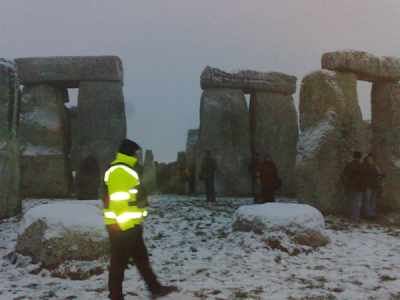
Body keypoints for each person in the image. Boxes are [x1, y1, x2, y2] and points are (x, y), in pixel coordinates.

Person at [103, 139, 177, 300]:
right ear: (130, 153)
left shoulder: (126, 169)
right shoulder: (119, 171)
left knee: (141, 259)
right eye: (136, 152)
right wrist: (127, 226)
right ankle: (115, 295)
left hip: (131, 226)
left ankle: (155, 288)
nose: (138, 155)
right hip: (122, 227)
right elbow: (118, 202)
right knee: (118, 263)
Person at [342, 151, 366, 221]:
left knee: (352, 201)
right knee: (357, 202)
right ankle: (355, 216)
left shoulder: (349, 165)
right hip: (359, 186)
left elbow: (345, 173)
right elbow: (364, 176)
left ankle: (352, 215)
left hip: (350, 186)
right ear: (360, 158)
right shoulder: (361, 166)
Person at [362, 153, 385, 219]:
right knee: (367, 200)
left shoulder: (375, 167)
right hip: (367, 185)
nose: (370, 160)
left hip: (374, 186)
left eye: (371, 159)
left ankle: (372, 214)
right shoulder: (365, 167)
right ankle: (367, 214)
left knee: (372, 201)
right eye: (369, 159)